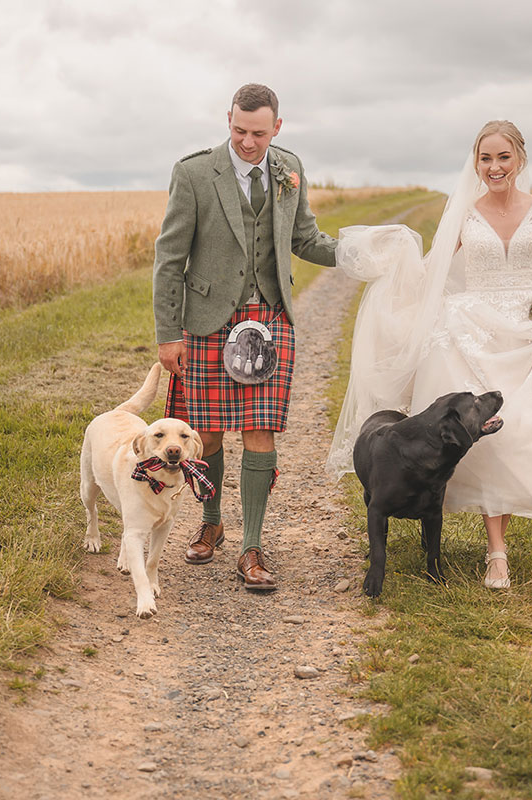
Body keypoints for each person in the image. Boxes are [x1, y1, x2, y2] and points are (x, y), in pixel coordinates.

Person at [327, 120, 532, 590]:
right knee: (489, 439)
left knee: (525, 431)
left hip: (530, 326)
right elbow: (434, 271)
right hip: (472, 329)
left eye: (503, 157)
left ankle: (507, 536)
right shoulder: (465, 212)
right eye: (486, 158)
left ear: (520, 159)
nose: (494, 167)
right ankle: (496, 554)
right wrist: (398, 269)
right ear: (476, 162)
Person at [153, 83, 337, 591]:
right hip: (209, 318)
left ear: (277, 127)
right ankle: (211, 523)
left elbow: (304, 238)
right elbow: (170, 258)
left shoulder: (289, 168)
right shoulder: (193, 173)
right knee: (206, 432)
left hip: (270, 318)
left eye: (258, 133)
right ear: (227, 120)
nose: (248, 142)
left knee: (261, 429)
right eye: (238, 130)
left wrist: (359, 254)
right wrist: (169, 333)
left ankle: (251, 546)